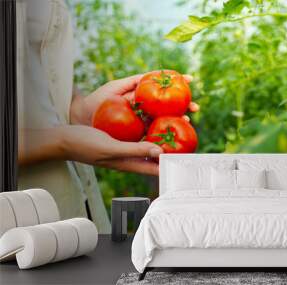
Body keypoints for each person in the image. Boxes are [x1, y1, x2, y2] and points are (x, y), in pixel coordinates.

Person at [16, 0, 199, 233]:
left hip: (77, 201)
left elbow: (45, 72)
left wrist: (81, 112)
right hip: (21, 217)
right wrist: (62, 142)